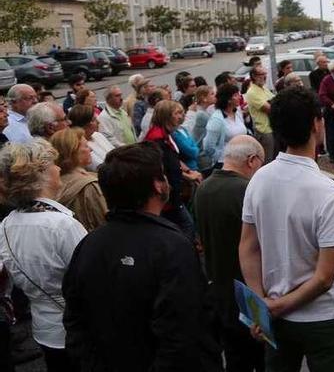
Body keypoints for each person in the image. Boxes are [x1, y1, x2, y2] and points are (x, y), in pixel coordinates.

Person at [62, 142, 223, 371]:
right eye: (163, 174)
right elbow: (182, 333)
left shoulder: (88, 244)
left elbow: (74, 322)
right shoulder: (173, 247)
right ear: (158, 186)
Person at [239, 86, 334, 371]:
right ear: (317, 124)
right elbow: (325, 277)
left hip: (276, 313)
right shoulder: (329, 192)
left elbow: (248, 246)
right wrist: (273, 307)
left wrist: (262, 305)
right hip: (323, 318)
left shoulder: (259, 178)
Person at [0, 140, 87, 371]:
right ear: (41, 174)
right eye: (54, 164)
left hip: (45, 330)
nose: (59, 169)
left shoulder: (7, 224)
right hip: (78, 330)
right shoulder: (61, 225)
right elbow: (90, 281)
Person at [194, 135, 265, 372]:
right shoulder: (247, 191)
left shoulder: (203, 188)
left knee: (236, 360)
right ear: (252, 160)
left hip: (219, 291)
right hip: (249, 292)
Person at [145, 100, 200, 239]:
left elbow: (173, 158)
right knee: (187, 225)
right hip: (167, 196)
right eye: (177, 113)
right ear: (166, 116)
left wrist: (187, 171)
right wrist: (187, 176)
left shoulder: (167, 134)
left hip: (174, 192)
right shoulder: (156, 139)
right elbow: (162, 166)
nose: (180, 117)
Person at [204, 84, 248, 170]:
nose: (240, 97)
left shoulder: (237, 112)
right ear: (228, 100)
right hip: (226, 164)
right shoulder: (216, 119)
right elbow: (208, 147)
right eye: (236, 95)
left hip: (241, 159)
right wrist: (222, 158)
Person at [67, 104, 115, 172]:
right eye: (94, 120)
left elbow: (115, 152)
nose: (98, 122)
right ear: (85, 124)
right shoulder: (80, 146)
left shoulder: (97, 135)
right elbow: (99, 167)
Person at [245, 65, 275, 161]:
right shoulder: (252, 92)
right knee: (267, 160)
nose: (265, 77)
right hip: (264, 131)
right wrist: (273, 103)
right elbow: (270, 109)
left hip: (272, 128)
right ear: (254, 76)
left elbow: (276, 101)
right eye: (261, 74)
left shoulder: (263, 88)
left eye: (265, 74)